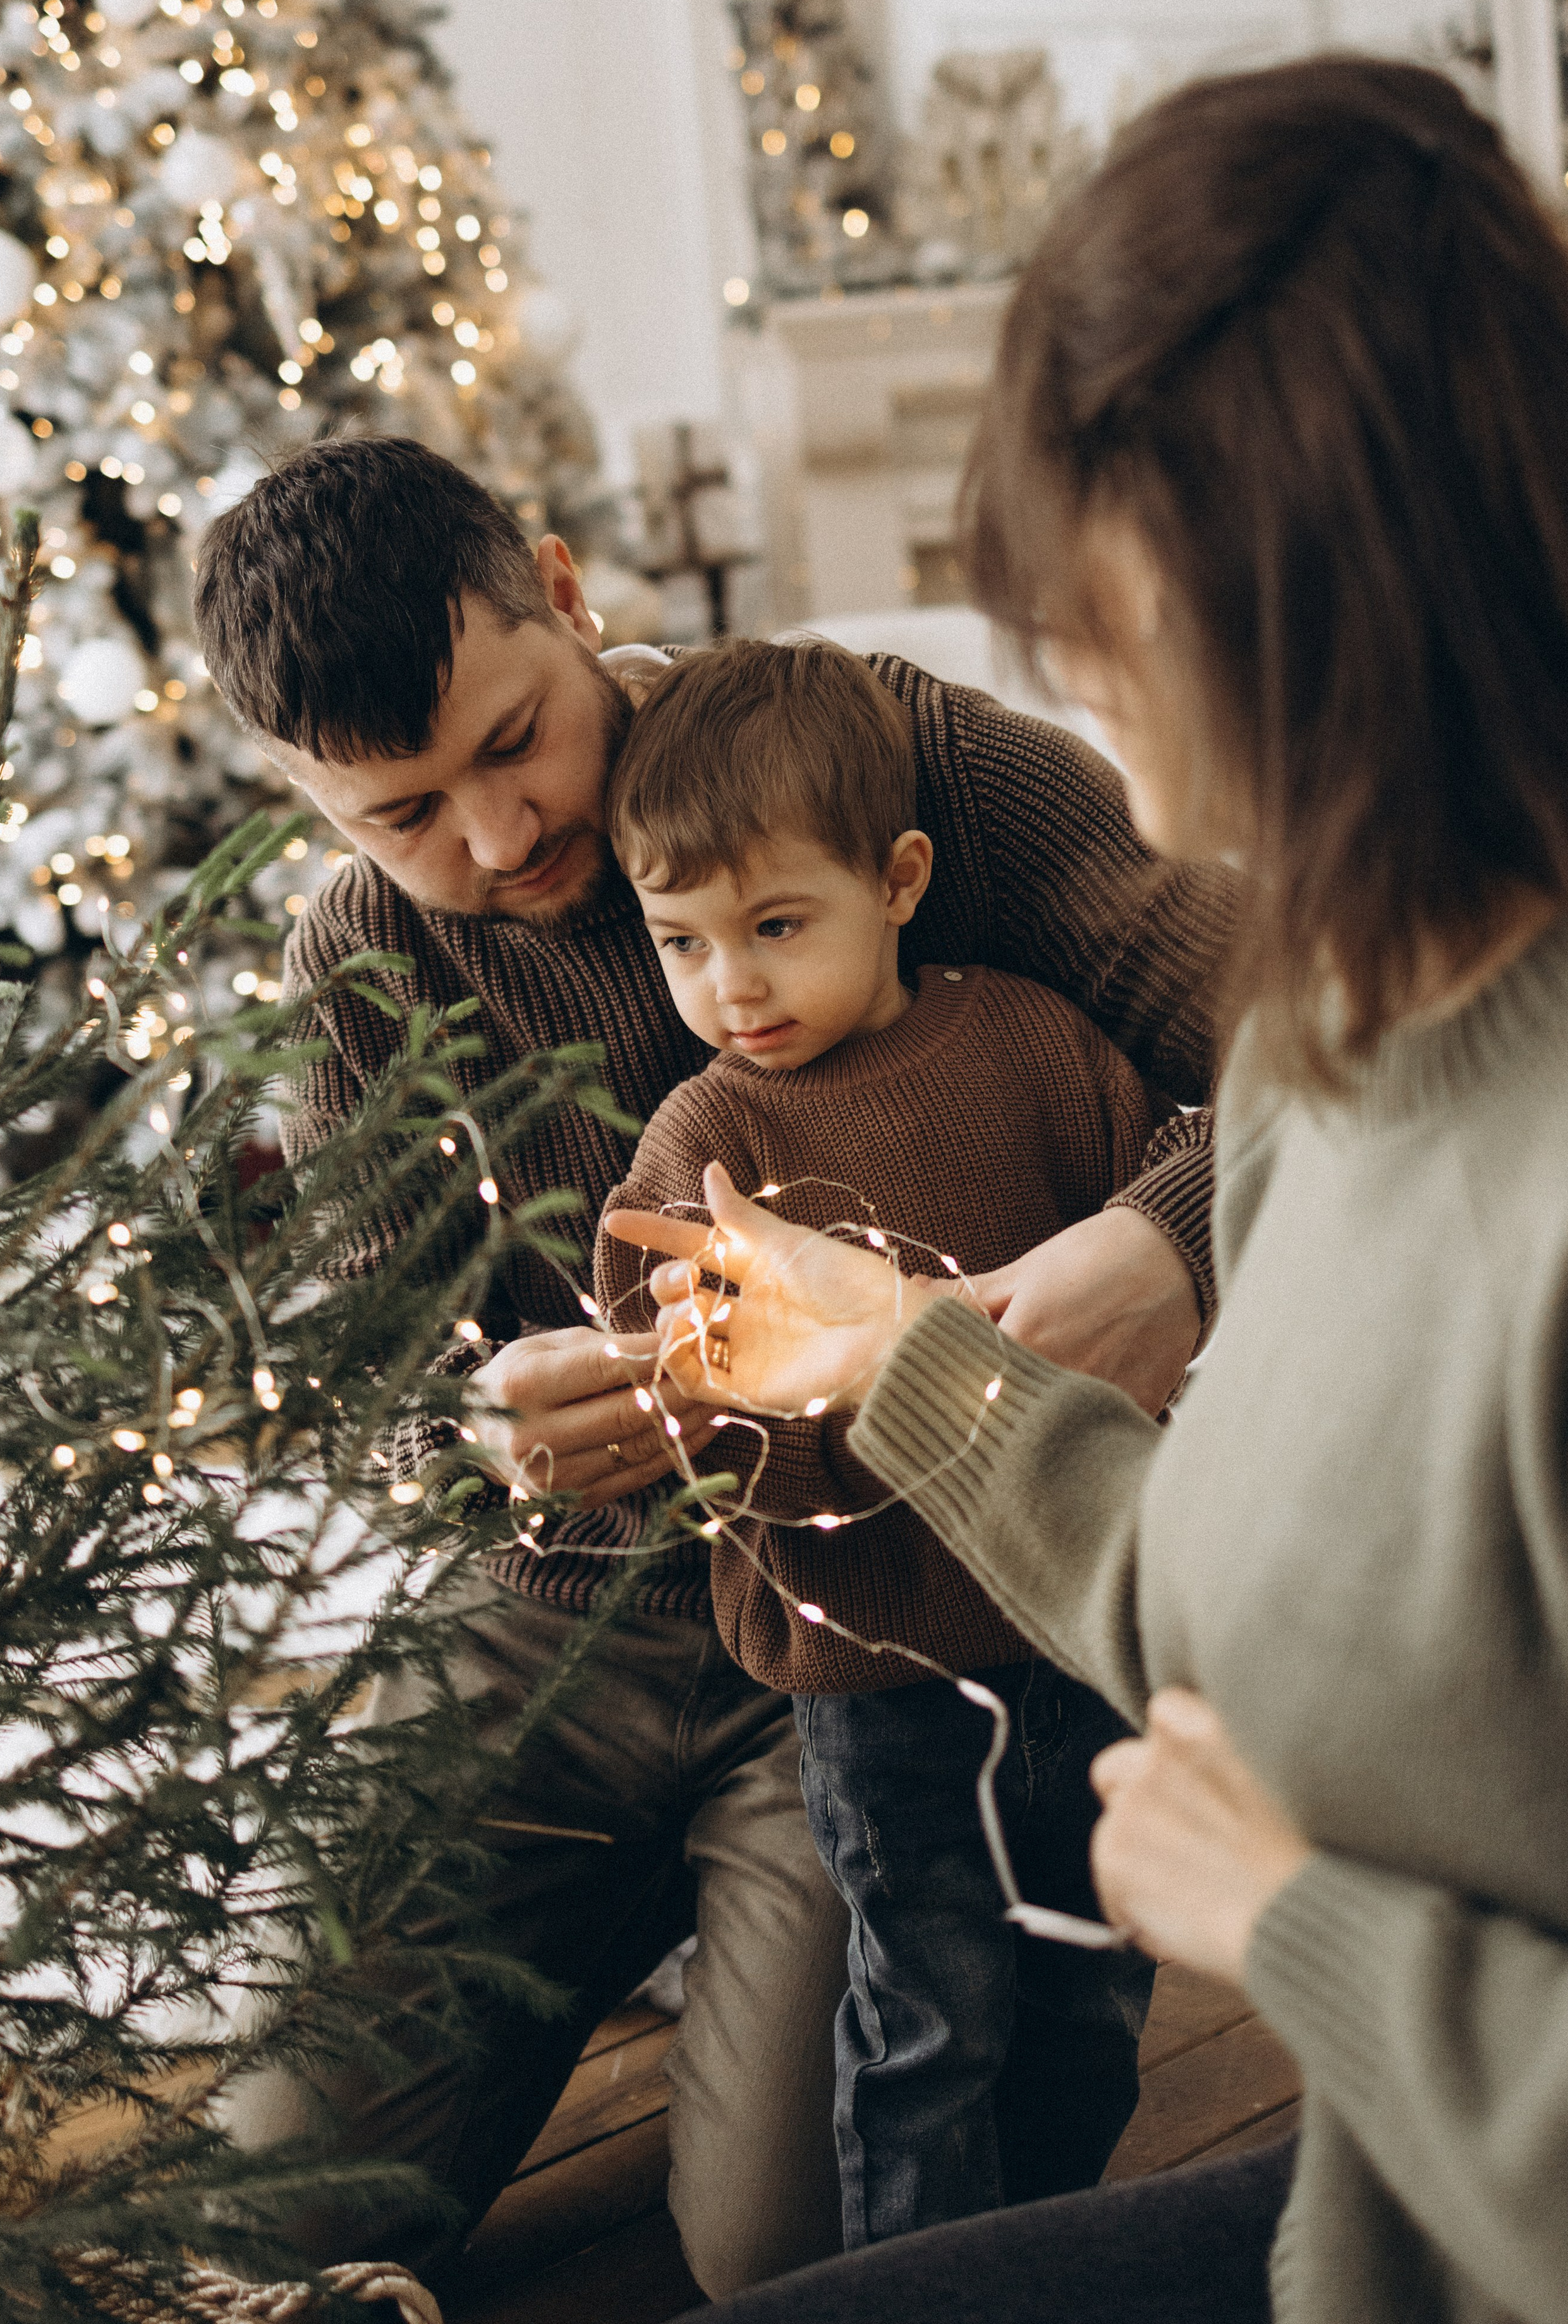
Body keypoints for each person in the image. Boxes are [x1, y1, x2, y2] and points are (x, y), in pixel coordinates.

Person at [612, 54, 1568, 2324]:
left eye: (1102, 606)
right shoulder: (1331, 1029)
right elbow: (1244, 1610)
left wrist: (1292, 1926)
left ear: (1320, 585)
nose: (1054, 666)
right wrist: (895, 1354)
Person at [191, 435, 1232, 2297]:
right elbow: (373, 1375)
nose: (494, 836)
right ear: (307, 799)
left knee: (804, 2247)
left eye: (514, 740)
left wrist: (1167, 1233)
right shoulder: (359, 953)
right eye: (402, 812)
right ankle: (676, 1914)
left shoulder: (901, 755)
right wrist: (467, 1428)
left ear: (565, 590)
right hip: (553, 1618)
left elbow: (1327, 1036)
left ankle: (754, 1918)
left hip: (894, 1626)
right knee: (263, 2207)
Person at [594, 635, 1162, 2246]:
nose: (731, 986)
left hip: (1081, 1626)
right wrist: (785, 1421)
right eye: (682, 942)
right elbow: (696, 1437)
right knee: (929, 2020)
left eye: (775, 926)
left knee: (1088, 1995)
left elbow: (1149, 1320)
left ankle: (1038, 2258)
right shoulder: (704, 1143)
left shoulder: (1038, 1049)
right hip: (880, 1677)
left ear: (898, 879)